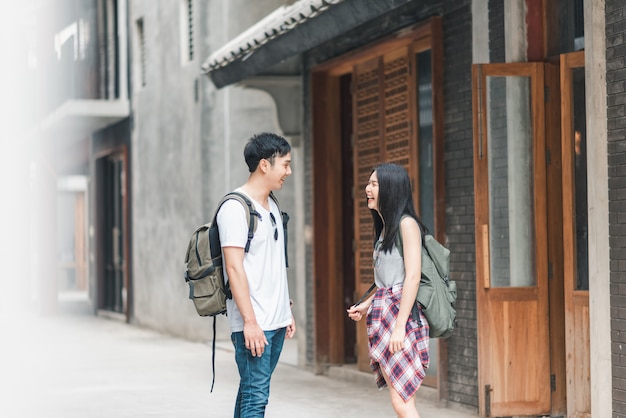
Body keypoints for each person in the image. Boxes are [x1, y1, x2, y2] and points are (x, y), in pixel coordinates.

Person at [216, 132, 296, 418]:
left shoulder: (272, 205)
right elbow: (234, 268)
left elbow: (272, 263)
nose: (288, 171)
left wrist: (285, 309)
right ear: (265, 164)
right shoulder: (235, 208)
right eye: (285, 164)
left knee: (252, 390)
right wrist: (250, 322)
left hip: (274, 321)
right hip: (254, 323)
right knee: (256, 397)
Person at [347, 162, 430, 418]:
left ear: (391, 189)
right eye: (368, 183)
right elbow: (387, 281)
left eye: (374, 184)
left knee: (402, 401)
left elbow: (412, 277)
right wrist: (367, 303)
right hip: (385, 315)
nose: (367, 189)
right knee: (399, 398)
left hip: (400, 317)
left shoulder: (407, 225)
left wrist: (399, 327)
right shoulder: (385, 228)